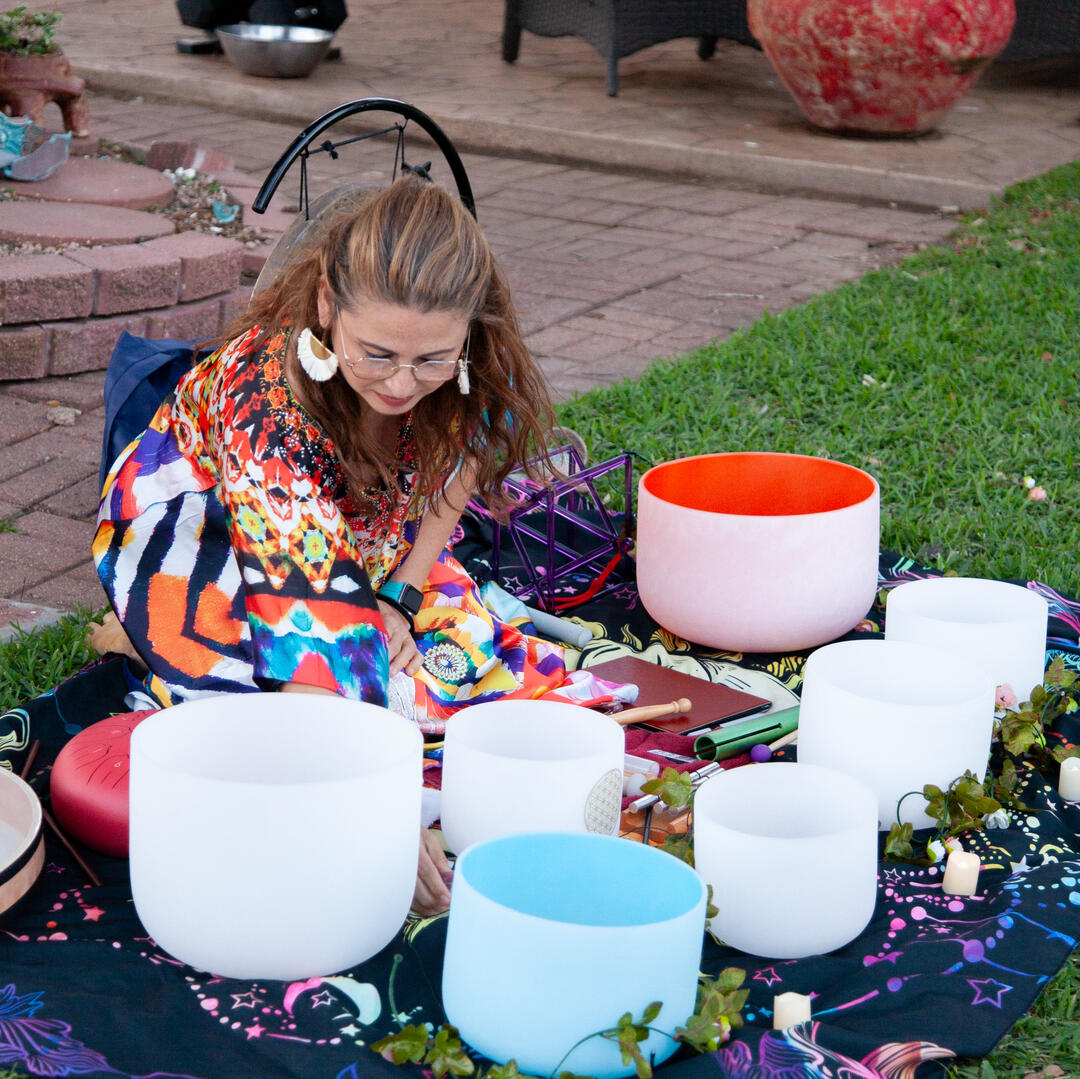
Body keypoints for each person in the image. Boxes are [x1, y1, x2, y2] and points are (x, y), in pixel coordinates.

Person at [92, 174, 571, 915]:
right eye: (377, 354)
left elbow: (461, 463)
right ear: (326, 306)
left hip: (342, 531)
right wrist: (383, 800)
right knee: (268, 717)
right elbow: (312, 624)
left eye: (432, 359)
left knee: (474, 661)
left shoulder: (464, 361)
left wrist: (400, 597)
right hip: (203, 527)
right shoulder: (265, 400)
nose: (404, 383)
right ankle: (133, 632)